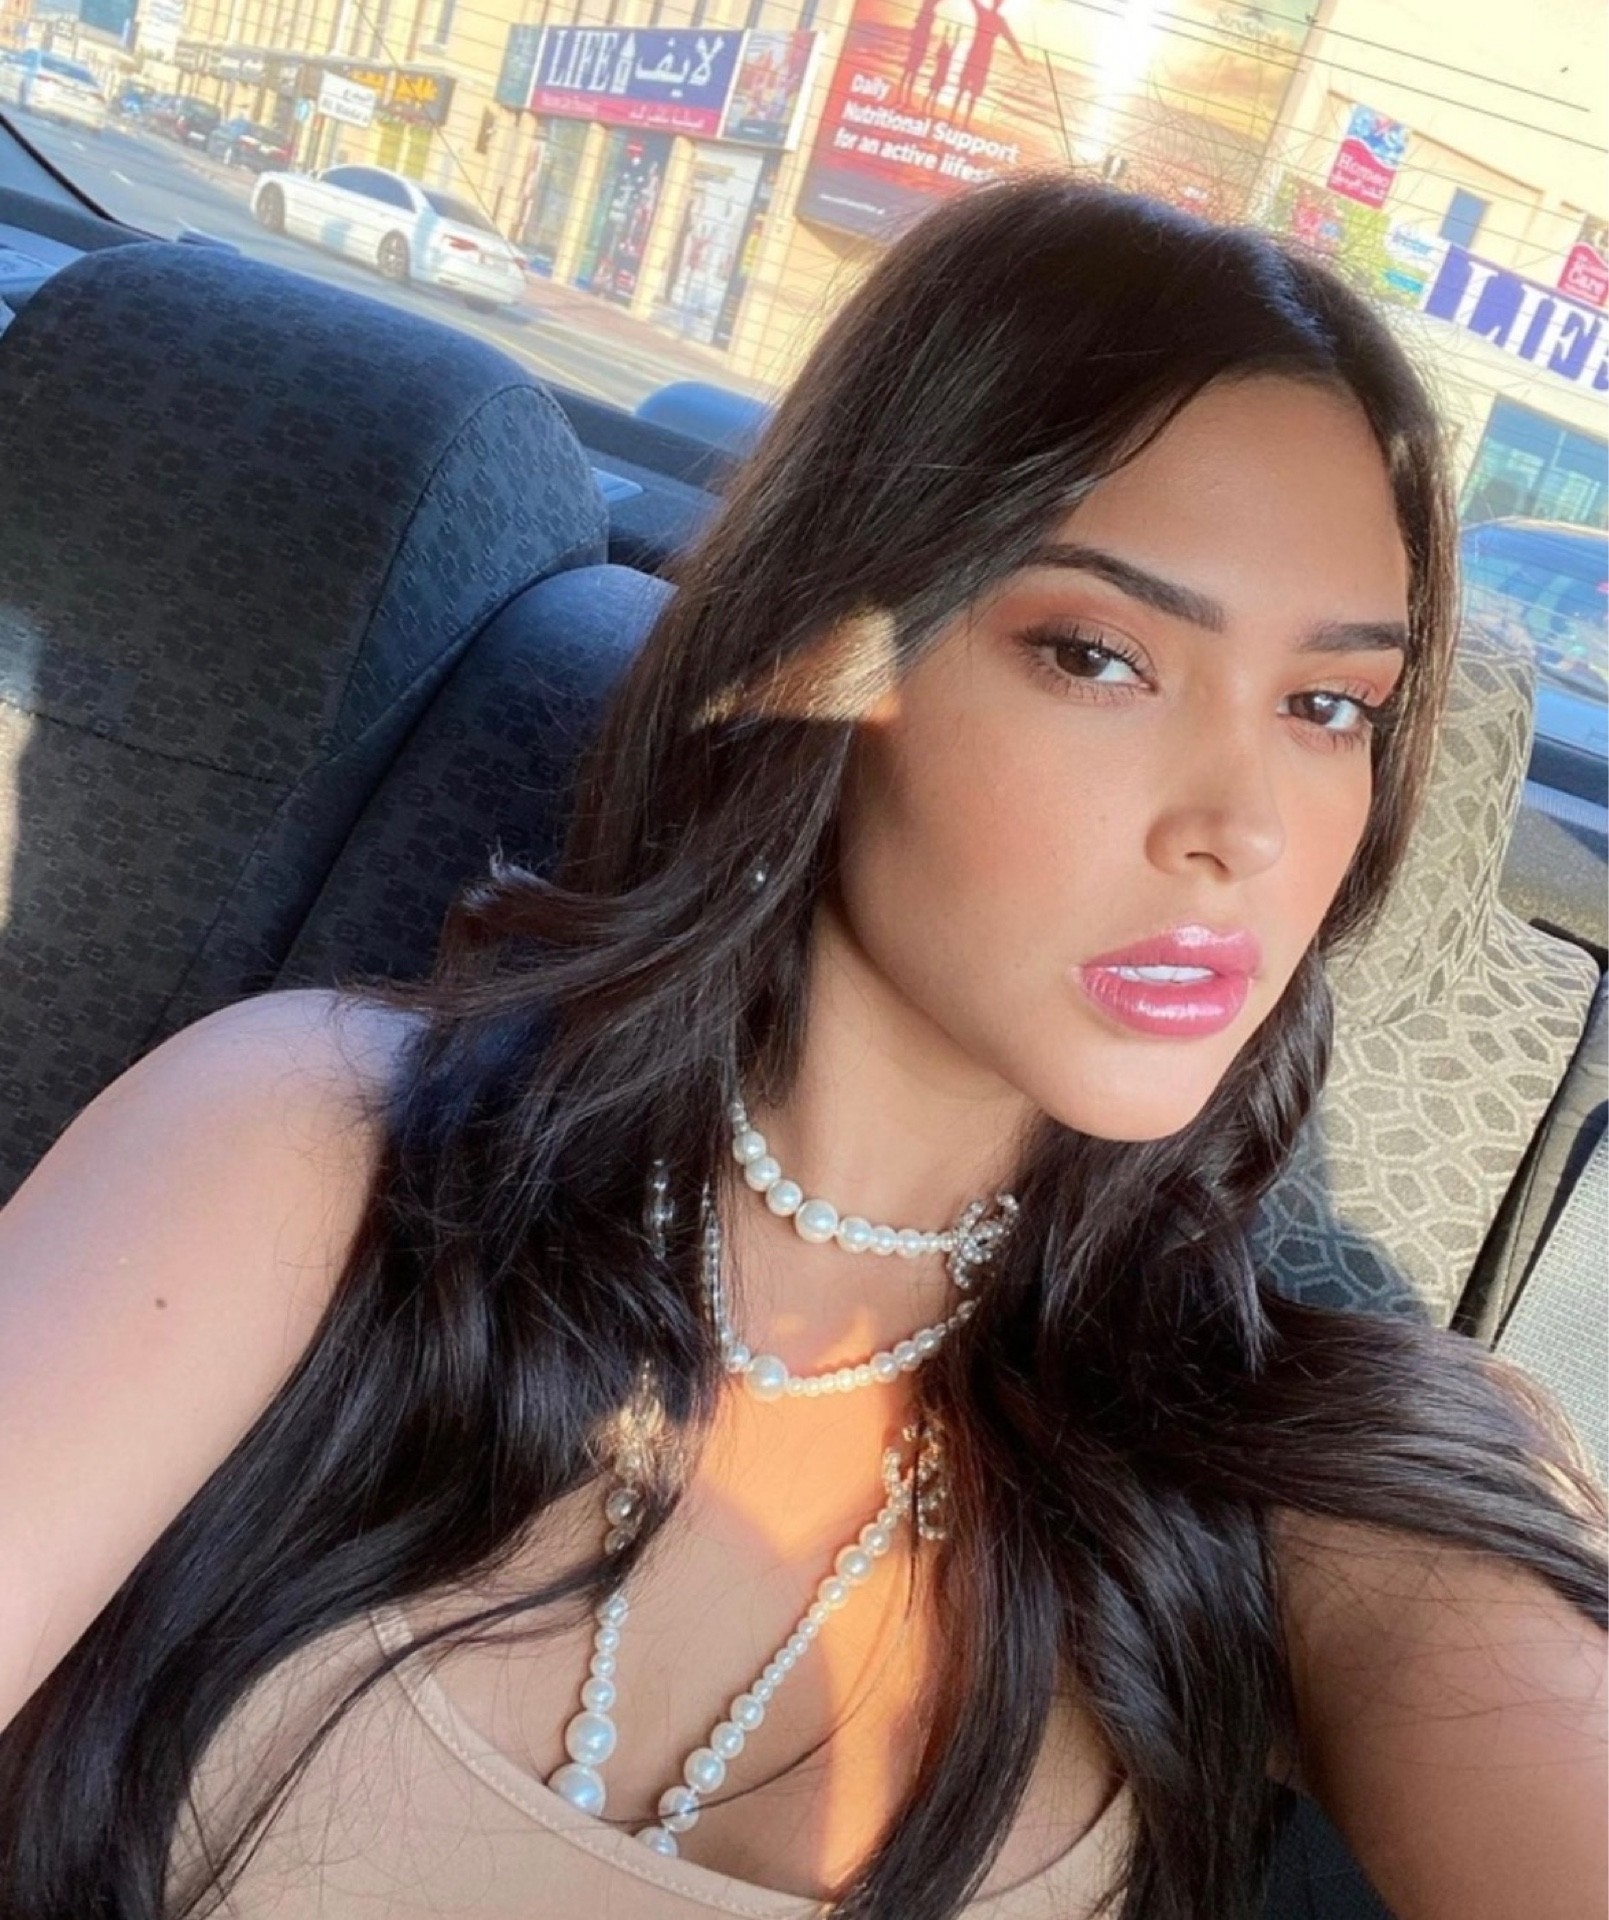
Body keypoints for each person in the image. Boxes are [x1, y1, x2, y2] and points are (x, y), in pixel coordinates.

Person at [1, 175, 1604, 1919]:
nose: (1244, 828)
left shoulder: (1305, 1468)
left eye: (1326, 707)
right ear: (835, 650)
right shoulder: (309, 1146)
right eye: (1097, 656)